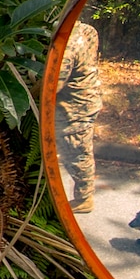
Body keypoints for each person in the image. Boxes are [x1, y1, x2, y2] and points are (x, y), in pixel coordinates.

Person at [55, 21, 102, 213]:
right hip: (87, 98)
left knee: (77, 153)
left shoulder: (68, 46)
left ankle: (84, 199)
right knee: (79, 149)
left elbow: (53, 85)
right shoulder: (86, 29)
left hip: (75, 107)